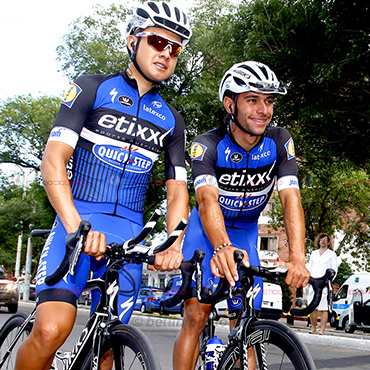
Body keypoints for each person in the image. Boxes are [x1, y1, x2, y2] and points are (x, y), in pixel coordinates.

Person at [15, 2, 192, 369]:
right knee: (50, 330)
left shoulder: (172, 119)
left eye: (174, 48)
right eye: (158, 41)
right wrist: (74, 225)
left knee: (109, 347)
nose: (166, 53)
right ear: (132, 41)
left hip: (127, 236)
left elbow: (177, 191)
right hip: (78, 222)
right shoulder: (91, 88)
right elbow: (53, 161)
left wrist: (173, 241)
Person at [173, 61, 310, 370]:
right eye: (252, 99)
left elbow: (291, 199)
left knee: (247, 325)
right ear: (229, 104)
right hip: (207, 234)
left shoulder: (279, 141)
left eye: (269, 100)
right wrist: (220, 246)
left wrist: (298, 258)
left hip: (247, 232)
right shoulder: (206, 145)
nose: (263, 109)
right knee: (196, 316)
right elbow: (207, 201)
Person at [307, 233, 338, 335]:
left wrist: (328, 281)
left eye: (325, 240)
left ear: (328, 242)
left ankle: (322, 330)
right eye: (321, 239)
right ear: (318, 241)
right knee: (312, 307)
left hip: (324, 283)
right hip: (313, 283)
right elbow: (309, 267)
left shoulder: (331, 254)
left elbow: (334, 270)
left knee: (323, 308)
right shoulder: (313, 253)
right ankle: (313, 328)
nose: (323, 241)